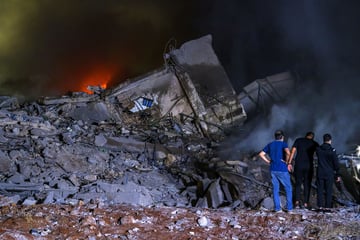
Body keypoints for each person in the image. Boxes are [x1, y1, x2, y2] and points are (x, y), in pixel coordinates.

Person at [259, 130, 293, 212]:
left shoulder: (270, 144)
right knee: (288, 188)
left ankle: (278, 209)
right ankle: (289, 208)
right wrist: (288, 162)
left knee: (275, 189)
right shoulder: (283, 144)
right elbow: (288, 153)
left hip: (273, 169)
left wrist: (268, 161)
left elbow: (261, 154)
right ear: (282, 137)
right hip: (282, 169)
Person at [288, 131, 319, 209]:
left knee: (298, 183)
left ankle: (297, 202)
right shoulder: (314, 143)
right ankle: (305, 203)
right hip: (309, 166)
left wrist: (289, 162)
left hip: (299, 165)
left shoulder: (299, 140)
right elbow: (320, 153)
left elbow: (293, 151)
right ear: (312, 137)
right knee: (307, 184)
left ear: (306, 135)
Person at [315, 133, 341, 209]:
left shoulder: (318, 149)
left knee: (319, 190)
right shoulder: (332, 150)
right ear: (330, 140)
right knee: (328, 190)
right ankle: (327, 207)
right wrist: (338, 174)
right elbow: (336, 163)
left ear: (323, 140)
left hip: (320, 172)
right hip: (329, 173)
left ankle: (320, 206)